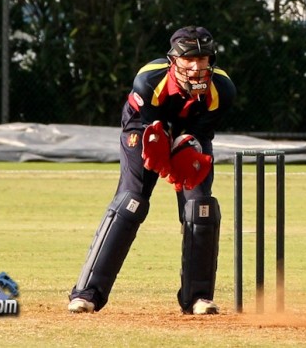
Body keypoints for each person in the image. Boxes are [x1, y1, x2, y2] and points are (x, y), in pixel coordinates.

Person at [68, 26, 236, 315]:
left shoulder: (223, 89)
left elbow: (198, 134)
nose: (196, 67)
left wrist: (185, 154)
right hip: (144, 129)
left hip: (189, 134)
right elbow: (155, 136)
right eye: (188, 59)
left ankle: (198, 297)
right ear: (173, 61)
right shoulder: (149, 80)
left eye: (202, 59)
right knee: (131, 202)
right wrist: (166, 162)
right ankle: (87, 293)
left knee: (199, 207)